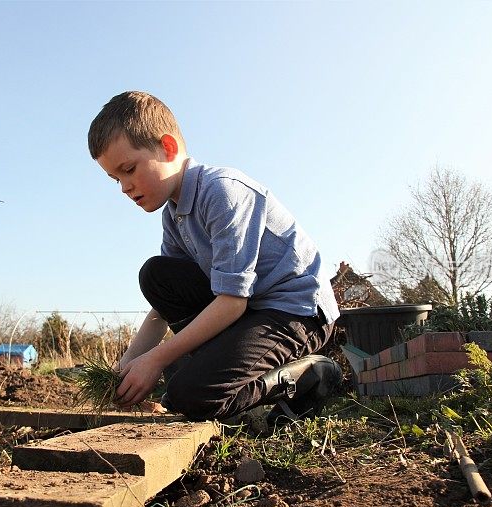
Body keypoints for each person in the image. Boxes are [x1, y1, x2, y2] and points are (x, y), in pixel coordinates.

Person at [87, 91, 342, 424]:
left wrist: (157, 359)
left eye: (130, 169)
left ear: (168, 147)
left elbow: (232, 302)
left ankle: (308, 374)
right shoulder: (174, 214)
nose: (124, 187)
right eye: (115, 178)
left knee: (189, 397)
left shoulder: (223, 192)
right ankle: (220, 377)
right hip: (249, 310)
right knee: (157, 275)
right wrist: (124, 368)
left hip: (295, 311)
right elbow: (164, 307)